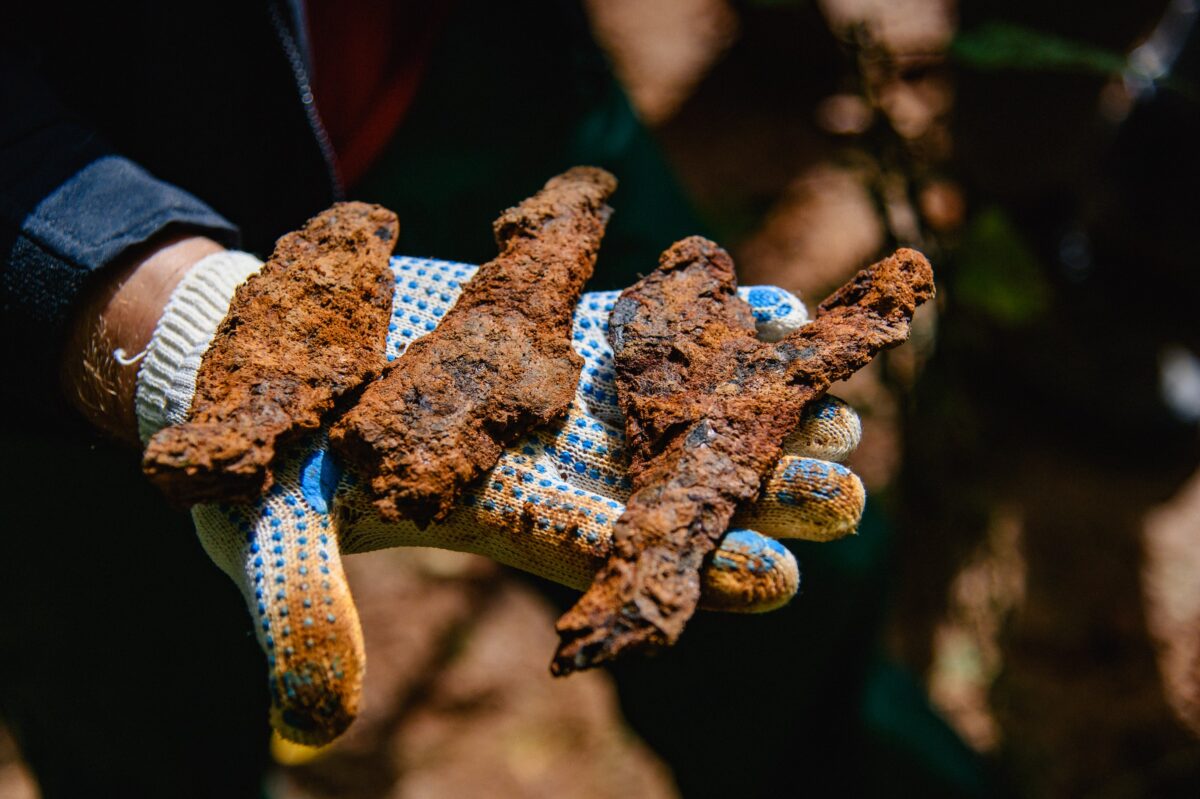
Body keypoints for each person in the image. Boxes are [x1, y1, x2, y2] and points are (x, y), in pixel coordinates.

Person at [2, 3, 987, 796]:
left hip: (467, 68)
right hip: (60, 261)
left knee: (778, 637)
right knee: (133, 711)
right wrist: (136, 296)